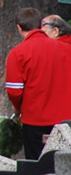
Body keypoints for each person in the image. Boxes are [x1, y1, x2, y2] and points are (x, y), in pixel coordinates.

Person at [4, 8, 71, 160]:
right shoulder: (67, 49)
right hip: (66, 120)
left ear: (19, 28)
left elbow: (14, 91)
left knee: (37, 167)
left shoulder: (18, 53)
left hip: (35, 120)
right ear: (40, 25)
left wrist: (17, 108)